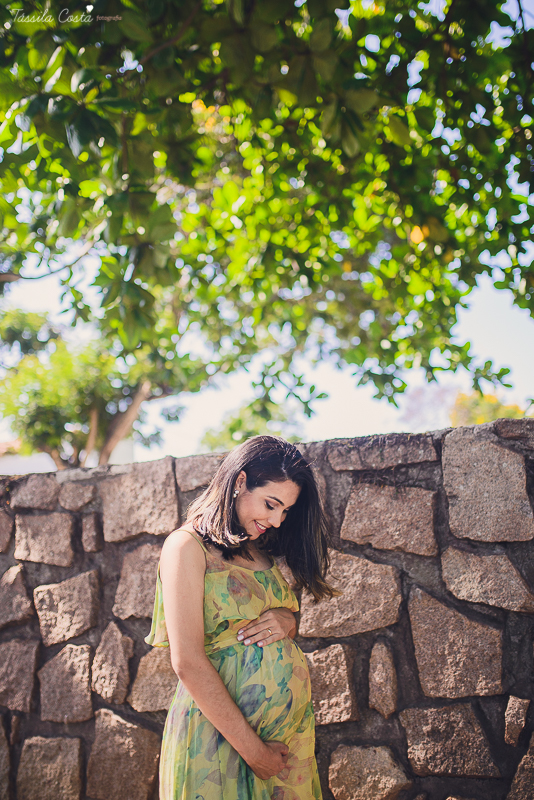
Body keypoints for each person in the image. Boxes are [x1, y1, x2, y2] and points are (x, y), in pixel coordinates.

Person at [146, 435, 337, 799]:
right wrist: (256, 753)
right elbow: (187, 660)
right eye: (271, 504)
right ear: (240, 482)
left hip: (286, 745)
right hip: (220, 745)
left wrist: (288, 620)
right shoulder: (186, 547)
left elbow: (262, 624)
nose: (277, 520)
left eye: (285, 511)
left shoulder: (258, 548)